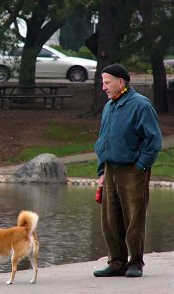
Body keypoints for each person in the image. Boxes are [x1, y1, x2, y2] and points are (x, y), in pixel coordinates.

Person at [93, 63, 162, 278]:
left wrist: (141, 165)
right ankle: (116, 262)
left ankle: (135, 263)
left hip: (133, 169)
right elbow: (103, 140)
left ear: (120, 82)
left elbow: (154, 140)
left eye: (106, 82)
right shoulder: (109, 106)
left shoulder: (140, 105)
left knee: (134, 217)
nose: (103, 87)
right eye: (102, 82)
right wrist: (101, 171)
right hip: (110, 168)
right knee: (110, 218)